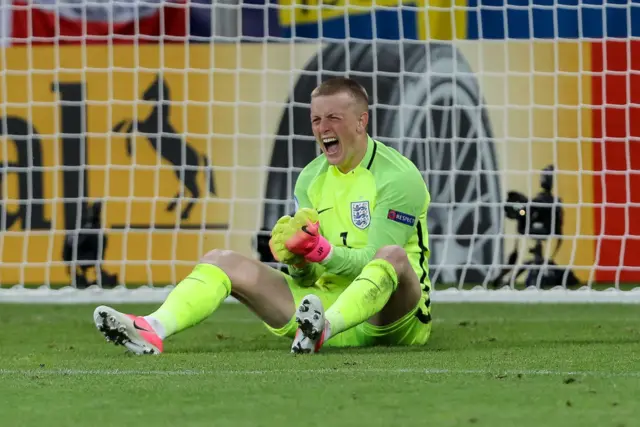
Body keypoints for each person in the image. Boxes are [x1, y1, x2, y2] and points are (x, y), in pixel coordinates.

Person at [93, 77, 433, 355]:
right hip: (321, 309)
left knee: (391, 256)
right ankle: (153, 328)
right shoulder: (311, 179)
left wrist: (321, 251)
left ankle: (322, 329)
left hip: (392, 319)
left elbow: (373, 263)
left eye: (333, 118)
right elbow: (307, 280)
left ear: (362, 120)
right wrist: (298, 259)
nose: (322, 128)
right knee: (220, 259)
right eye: (316, 119)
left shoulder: (397, 178)